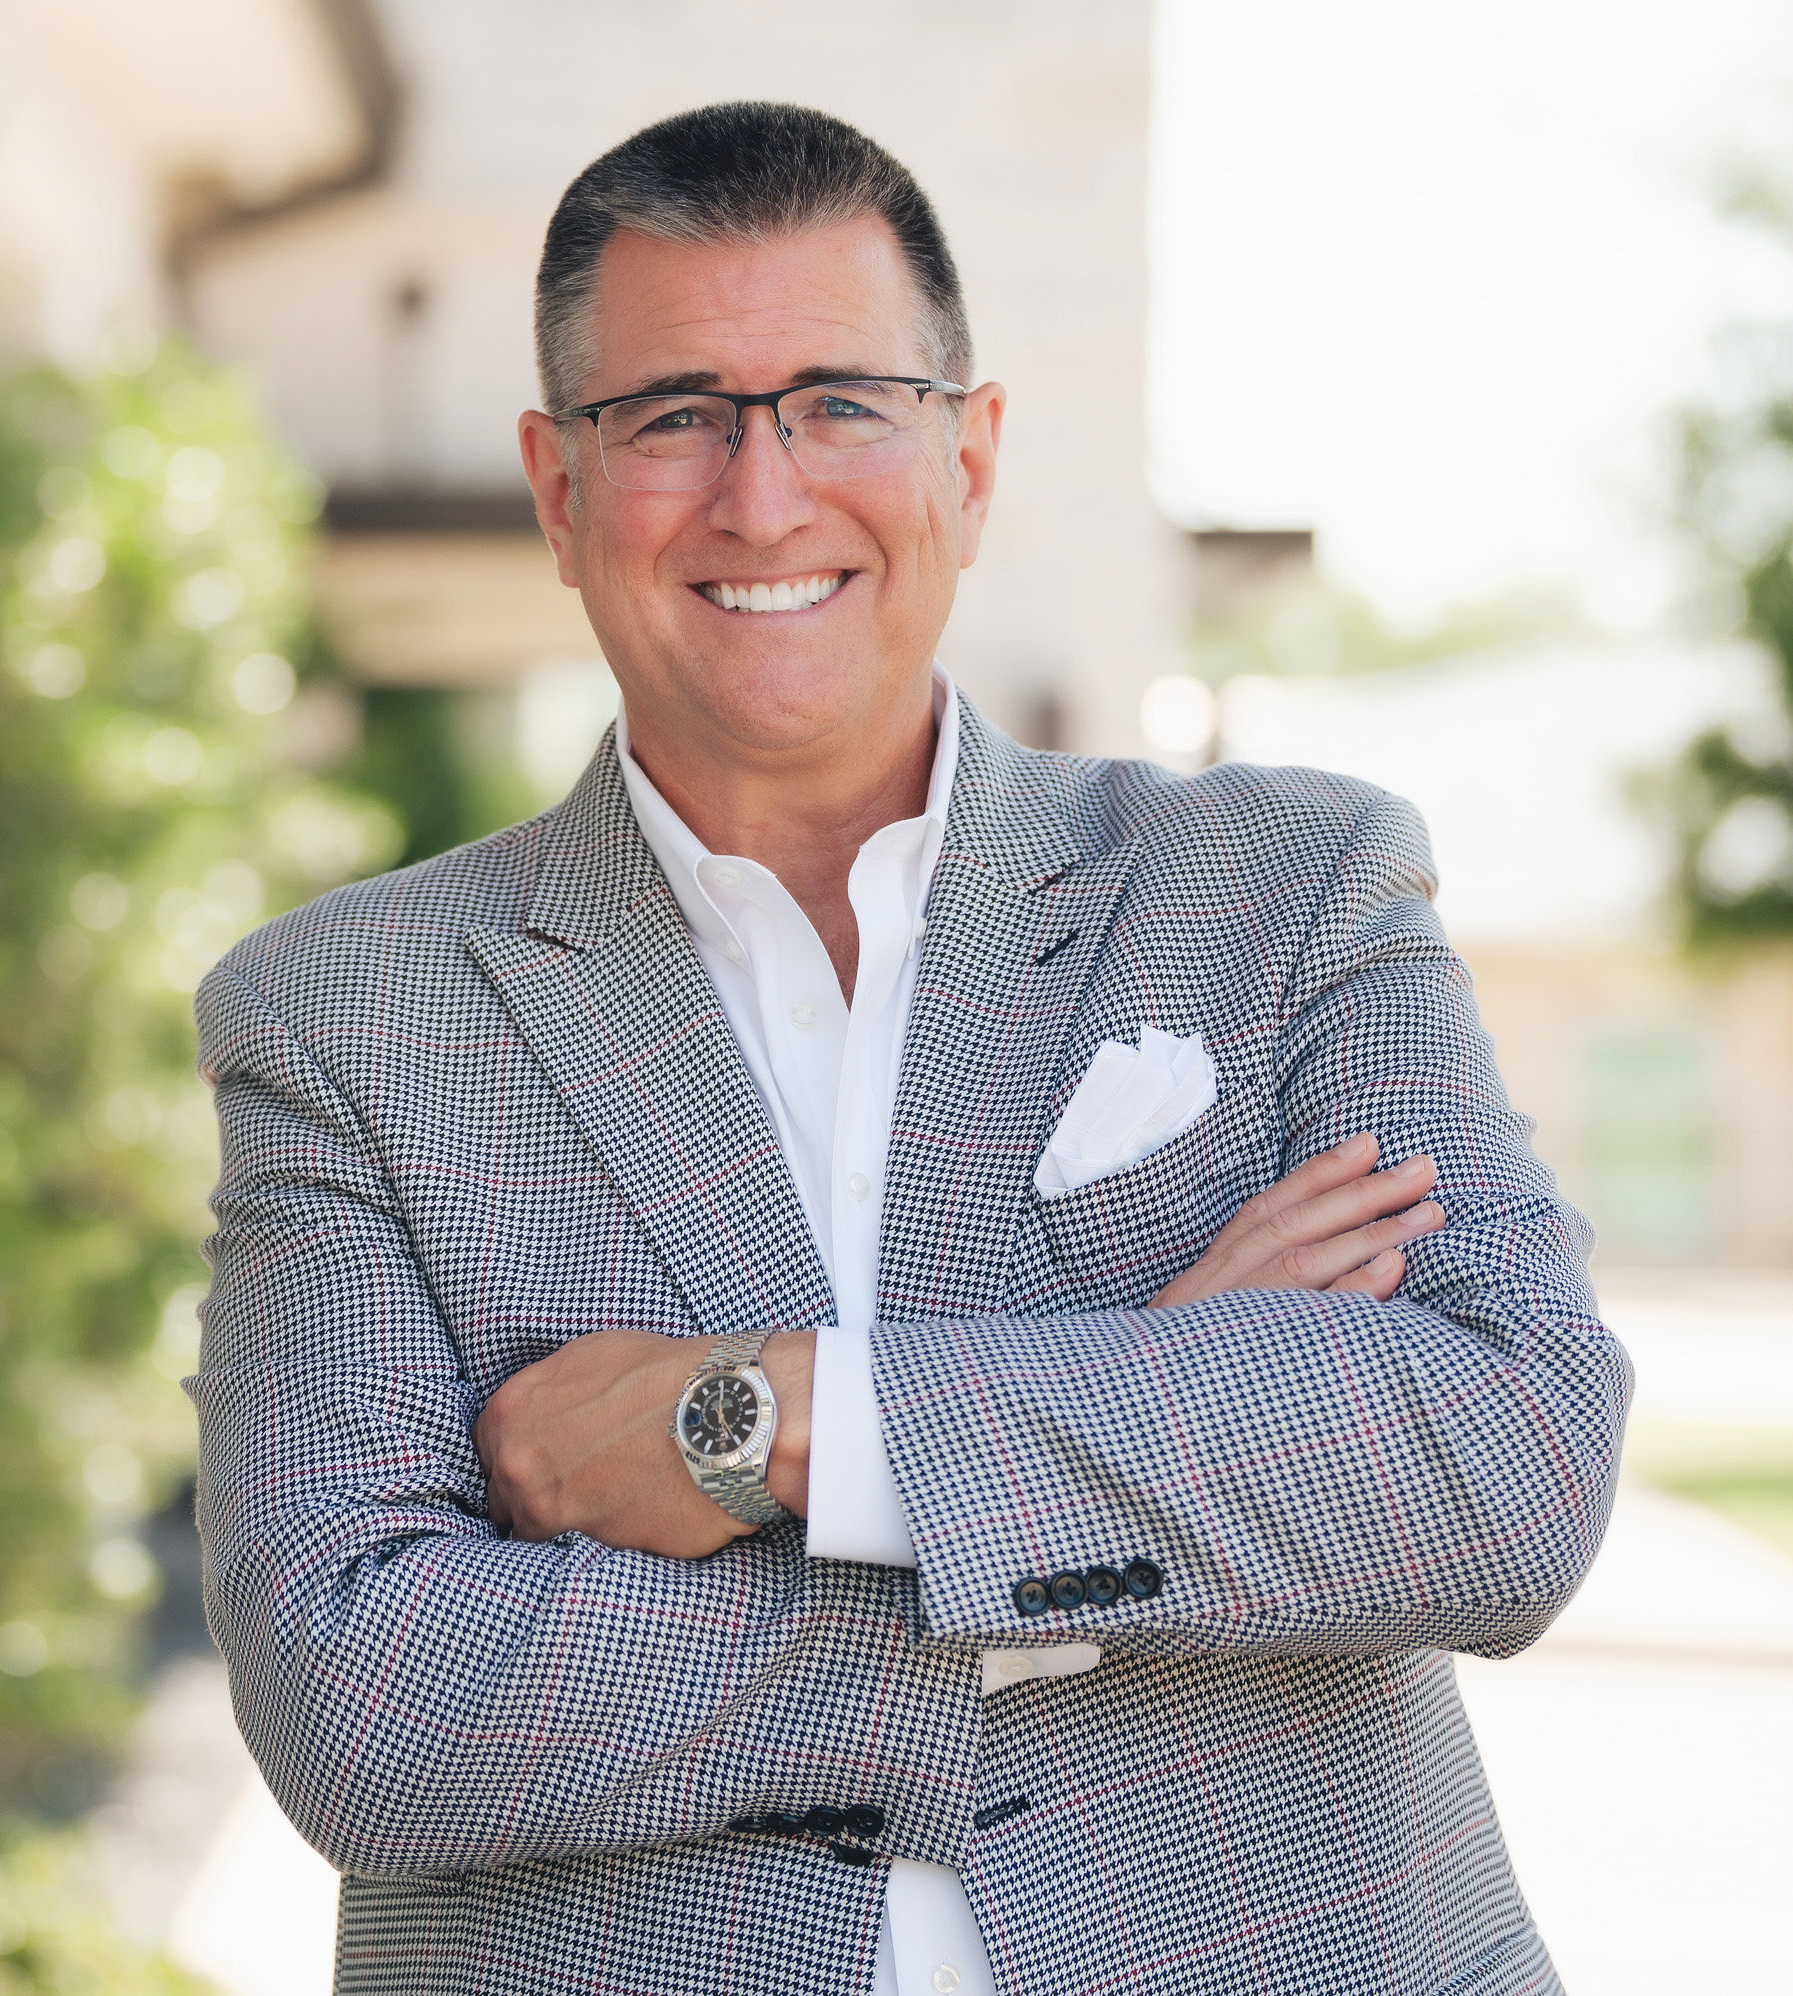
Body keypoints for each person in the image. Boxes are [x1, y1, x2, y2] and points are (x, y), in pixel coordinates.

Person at [188, 101, 1627, 1996]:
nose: (762, 495)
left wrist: (781, 1424)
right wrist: (1136, 1442)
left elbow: (1507, 1469)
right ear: (556, 489)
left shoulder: (1286, 890)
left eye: (841, 401)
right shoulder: (345, 1017)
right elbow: (374, 1712)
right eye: (673, 413)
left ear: (973, 455)